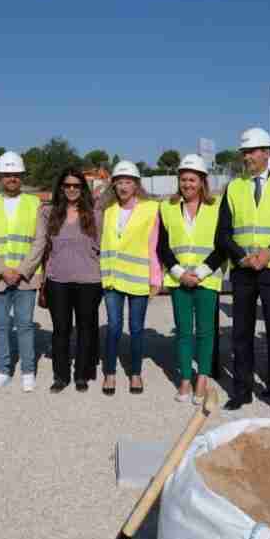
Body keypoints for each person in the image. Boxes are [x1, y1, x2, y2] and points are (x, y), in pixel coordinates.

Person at [215, 127, 270, 415]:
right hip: (243, 271)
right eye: (244, 151)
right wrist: (242, 257)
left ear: (267, 153)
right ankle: (241, 391)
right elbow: (223, 233)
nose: (247, 156)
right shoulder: (233, 186)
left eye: (252, 151)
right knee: (241, 333)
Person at [157, 154, 225, 404]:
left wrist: (202, 272)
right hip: (179, 280)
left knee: (206, 332)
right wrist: (179, 273)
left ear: (202, 181)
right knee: (184, 332)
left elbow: (222, 245)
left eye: (192, 179)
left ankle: (202, 378)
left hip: (207, 279)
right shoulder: (167, 208)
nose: (187, 184)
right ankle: (185, 378)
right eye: (184, 179)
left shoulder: (217, 207)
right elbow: (162, 246)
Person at [0, 151, 46, 392]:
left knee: (25, 325)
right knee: (0, 326)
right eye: (7, 174)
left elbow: (40, 240)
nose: (12, 178)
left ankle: (28, 370)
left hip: (25, 278)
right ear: (0, 176)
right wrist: (1, 270)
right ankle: (3, 370)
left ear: (21, 176)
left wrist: (23, 270)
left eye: (16, 174)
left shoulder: (34, 203)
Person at [99, 160, 163, 395]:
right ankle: (110, 373)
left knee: (136, 328)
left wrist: (156, 278)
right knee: (114, 327)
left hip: (138, 278)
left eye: (128, 182)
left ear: (136, 185)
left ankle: (135, 373)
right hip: (113, 279)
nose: (123, 186)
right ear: (113, 185)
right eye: (119, 182)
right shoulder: (108, 212)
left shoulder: (150, 209)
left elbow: (153, 245)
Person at [41, 167, 103, 393]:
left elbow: (103, 246)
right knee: (61, 329)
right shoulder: (49, 214)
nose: (71, 189)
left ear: (82, 188)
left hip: (89, 281)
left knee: (86, 328)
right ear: (61, 188)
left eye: (76, 186)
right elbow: (44, 247)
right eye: (67, 185)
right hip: (58, 280)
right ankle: (61, 376)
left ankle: (82, 375)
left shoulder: (95, 214)